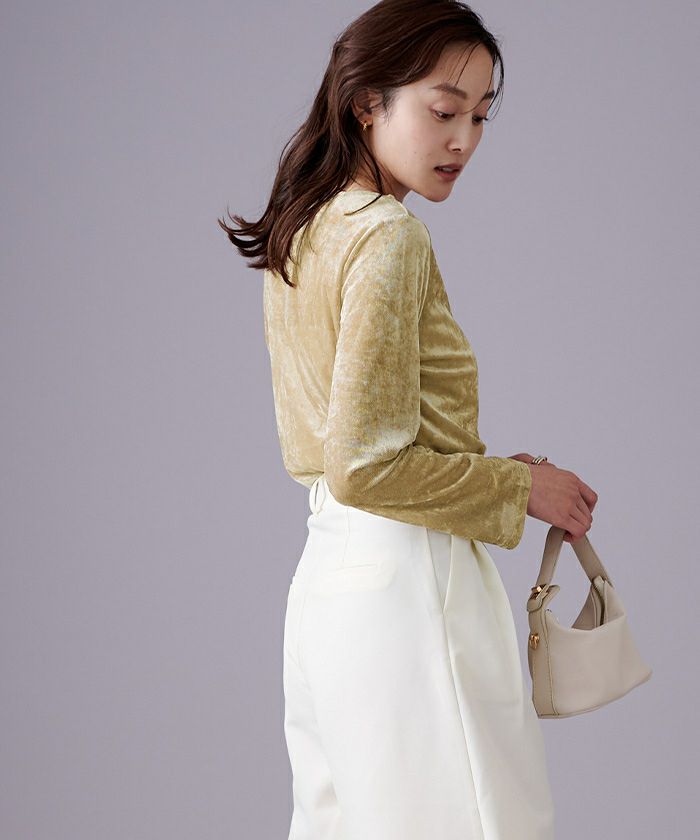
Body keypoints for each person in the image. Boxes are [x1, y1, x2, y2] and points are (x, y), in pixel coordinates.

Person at [219, 1, 597, 837]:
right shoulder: (388, 236)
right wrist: (520, 489)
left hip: (329, 583)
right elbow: (367, 464)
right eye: (443, 110)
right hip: (409, 581)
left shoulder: (304, 229)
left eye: (480, 117)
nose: (463, 140)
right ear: (367, 102)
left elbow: (350, 452)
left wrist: (492, 470)